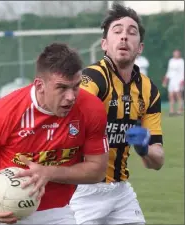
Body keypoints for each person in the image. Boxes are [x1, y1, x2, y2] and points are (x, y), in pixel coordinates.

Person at [0, 43, 109, 225]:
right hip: (1, 209)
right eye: (61, 88)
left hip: (57, 211)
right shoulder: (4, 112)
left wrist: (49, 172)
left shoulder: (92, 109)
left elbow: (97, 170)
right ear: (40, 85)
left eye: (75, 86)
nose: (71, 96)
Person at [69, 3, 164, 225]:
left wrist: (144, 148)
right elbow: (72, 117)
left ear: (139, 47)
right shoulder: (92, 79)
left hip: (120, 192)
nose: (124, 37)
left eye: (131, 33)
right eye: (117, 31)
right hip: (80, 190)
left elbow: (157, 161)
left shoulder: (149, 91)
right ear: (104, 44)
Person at [162, 49, 184, 116]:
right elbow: (169, 71)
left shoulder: (181, 61)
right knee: (171, 95)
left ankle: (179, 110)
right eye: (175, 53)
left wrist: (182, 81)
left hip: (179, 80)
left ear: (179, 54)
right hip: (172, 81)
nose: (176, 54)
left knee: (178, 95)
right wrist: (166, 79)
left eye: (177, 53)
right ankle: (171, 111)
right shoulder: (171, 61)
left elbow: (183, 71)